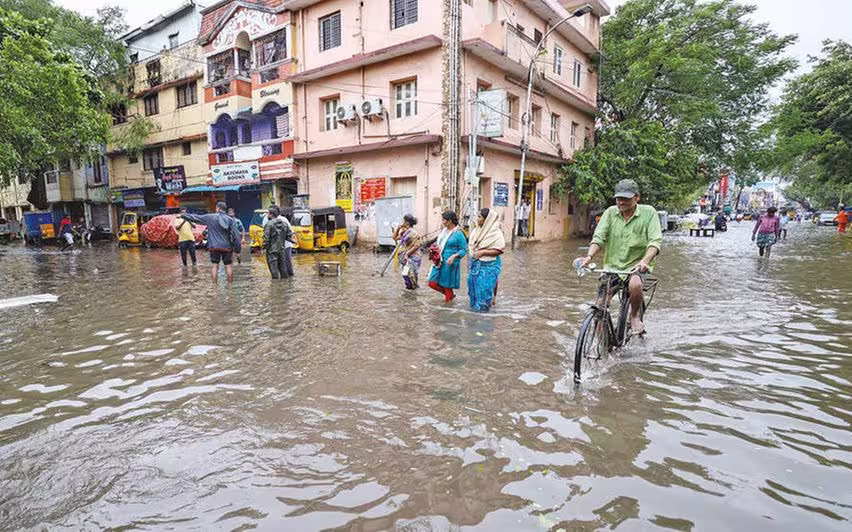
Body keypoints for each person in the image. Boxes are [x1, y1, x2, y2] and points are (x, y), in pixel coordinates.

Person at [576, 179, 662, 336]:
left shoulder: (649, 213)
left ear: (637, 197)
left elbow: (655, 242)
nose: (621, 202)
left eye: (626, 198)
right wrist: (589, 257)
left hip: (637, 266)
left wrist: (645, 261)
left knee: (635, 284)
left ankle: (635, 316)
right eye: (618, 199)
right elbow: (599, 238)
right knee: (600, 305)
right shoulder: (609, 213)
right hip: (612, 267)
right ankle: (602, 340)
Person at [179, 201, 241, 283]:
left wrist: (183, 215)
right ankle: (230, 287)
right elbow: (236, 236)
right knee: (228, 266)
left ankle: (214, 287)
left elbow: (196, 218)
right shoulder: (230, 220)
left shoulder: (210, 217)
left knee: (215, 266)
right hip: (227, 247)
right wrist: (237, 251)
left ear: (218, 208)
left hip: (213, 246)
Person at [467, 208, 505, 312]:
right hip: (475, 265)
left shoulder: (496, 233)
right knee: (473, 291)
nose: (477, 219)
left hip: (489, 265)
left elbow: (500, 249)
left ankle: (484, 322)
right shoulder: (476, 231)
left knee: (484, 291)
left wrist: (483, 252)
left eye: (479, 217)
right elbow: (471, 246)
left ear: (487, 220)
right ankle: (474, 319)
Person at [428, 211, 467, 302]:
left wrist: (454, 256)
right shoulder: (444, 232)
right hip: (439, 261)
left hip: (450, 262)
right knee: (432, 283)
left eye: (443, 220)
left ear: (449, 221)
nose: (442, 222)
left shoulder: (459, 234)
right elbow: (439, 244)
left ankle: (448, 307)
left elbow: (464, 250)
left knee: (447, 285)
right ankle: (451, 296)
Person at [263, 205, 295, 279]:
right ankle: (284, 285)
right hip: (282, 249)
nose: (267, 215)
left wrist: (263, 247)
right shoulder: (284, 223)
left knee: (274, 271)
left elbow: (266, 239)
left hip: (272, 251)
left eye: (268, 213)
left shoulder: (269, 224)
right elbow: (289, 235)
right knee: (283, 269)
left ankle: (276, 286)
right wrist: (293, 241)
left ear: (271, 214)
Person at [392, 214, 422, 290]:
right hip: (405, 258)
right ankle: (410, 292)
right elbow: (395, 238)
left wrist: (407, 254)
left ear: (407, 223)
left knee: (411, 276)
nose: (402, 222)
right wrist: (398, 229)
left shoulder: (413, 232)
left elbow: (417, 246)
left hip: (413, 257)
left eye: (403, 221)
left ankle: (414, 292)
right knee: (406, 275)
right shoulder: (405, 232)